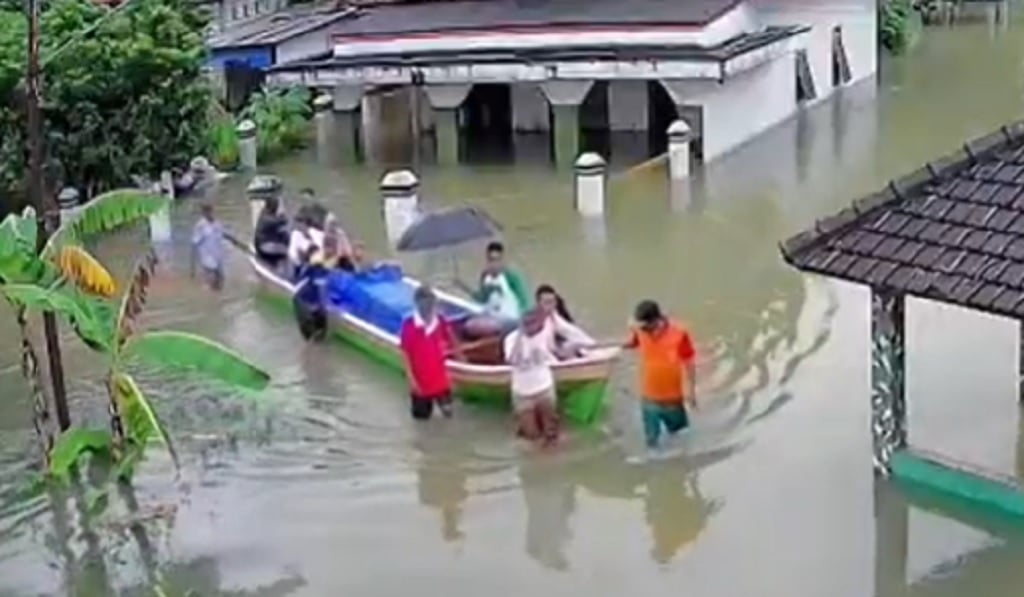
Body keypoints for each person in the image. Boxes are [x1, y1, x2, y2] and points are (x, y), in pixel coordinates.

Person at [618, 300, 697, 450]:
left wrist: (691, 390)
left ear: (656, 321)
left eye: (645, 326)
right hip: (649, 399)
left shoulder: (679, 335)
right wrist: (616, 349)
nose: (642, 330)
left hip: (673, 399)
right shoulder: (640, 330)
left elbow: (689, 362)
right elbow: (633, 342)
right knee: (651, 443)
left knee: (681, 437)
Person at [399, 285, 463, 420]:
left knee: (449, 414)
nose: (429, 308)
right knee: (422, 421)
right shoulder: (409, 325)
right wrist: (411, 379)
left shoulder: (439, 320)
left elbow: (451, 337)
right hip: (420, 382)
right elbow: (405, 353)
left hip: (440, 379)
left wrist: (461, 359)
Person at [504, 309, 562, 446]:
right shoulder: (511, 339)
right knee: (531, 436)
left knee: (551, 431)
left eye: (534, 324)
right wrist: (520, 336)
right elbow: (512, 360)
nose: (532, 328)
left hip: (544, 388)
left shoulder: (545, 333)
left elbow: (552, 350)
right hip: (523, 393)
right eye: (527, 324)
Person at [460, 241, 530, 338]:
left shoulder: (511, 276)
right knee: (466, 323)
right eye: (491, 260)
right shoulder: (485, 276)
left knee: (472, 327)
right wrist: (463, 287)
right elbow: (482, 299)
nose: (494, 264)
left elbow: (524, 301)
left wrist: (524, 322)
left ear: (502, 260)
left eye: (497, 260)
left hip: (509, 319)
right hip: (491, 315)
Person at [534, 284, 593, 357]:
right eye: (546, 302)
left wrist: (591, 345)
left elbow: (571, 331)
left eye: (552, 302)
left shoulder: (555, 316)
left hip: (557, 350)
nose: (550, 306)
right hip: (541, 355)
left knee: (576, 343)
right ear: (539, 304)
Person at [292, 250, 331, 341]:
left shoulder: (323, 273)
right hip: (302, 300)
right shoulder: (310, 272)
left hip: (312, 300)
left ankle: (316, 337)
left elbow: (322, 291)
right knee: (308, 331)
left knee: (319, 326)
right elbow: (298, 290)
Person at [191, 203, 225, 291]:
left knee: (220, 282)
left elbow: (221, 237)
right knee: (210, 282)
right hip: (207, 258)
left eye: (210, 211)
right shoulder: (200, 226)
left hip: (218, 257)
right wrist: (193, 267)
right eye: (206, 212)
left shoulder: (218, 224)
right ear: (203, 213)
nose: (209, 214)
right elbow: (194, 243)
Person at [254, 196, 289, 272]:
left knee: (283, 235)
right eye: (276, 206)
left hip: (260, 246)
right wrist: (282, 215)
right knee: (287, 241)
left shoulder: (263, 214)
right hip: (265, 249)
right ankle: (283, 269)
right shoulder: (270, 220)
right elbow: (284, 221)